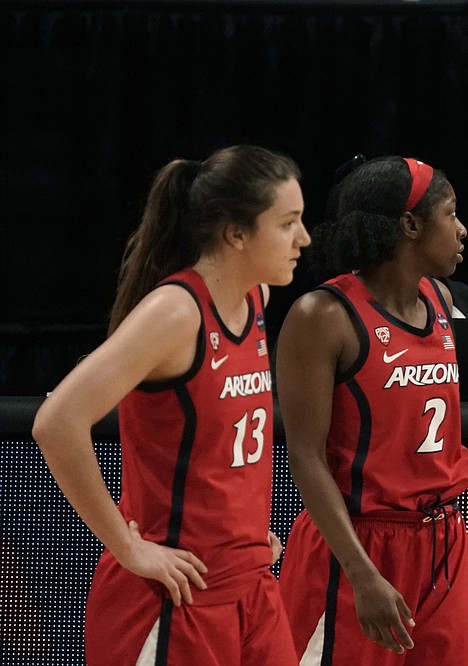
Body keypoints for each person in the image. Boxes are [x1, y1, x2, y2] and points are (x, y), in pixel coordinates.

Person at [31, 144, 311, 664]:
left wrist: (245, 536)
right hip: (174, 601)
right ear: (236, 233)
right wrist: (127, 546)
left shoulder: (256, 298)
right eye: (288, 223)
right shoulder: (175, 312)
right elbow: (56, 421)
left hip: (249, 588)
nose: (304, 239)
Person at [275, 155, 468, 665]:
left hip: (442, 543)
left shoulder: (439, 298)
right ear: (410, 224)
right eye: (451, 214)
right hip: (358, 545)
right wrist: (362, 573)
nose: (462, 229)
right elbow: (305, 456)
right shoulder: (322, 315)